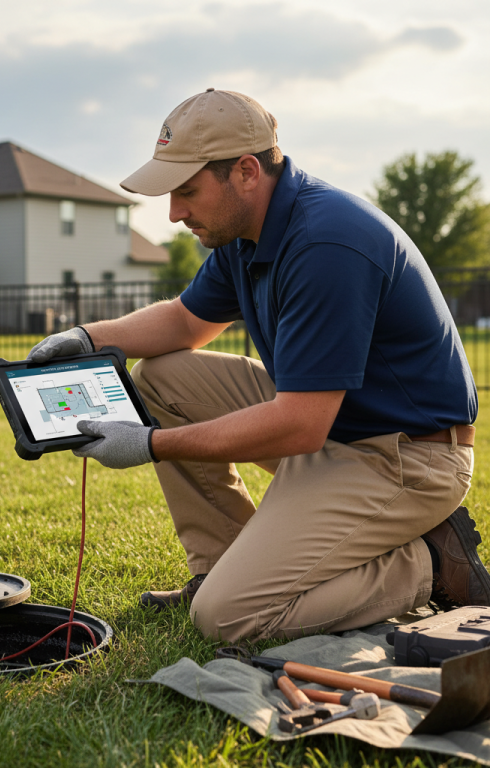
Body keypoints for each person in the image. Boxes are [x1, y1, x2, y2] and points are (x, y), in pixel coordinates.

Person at [28, 88, 489, 642]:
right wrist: (86, 337)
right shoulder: (246, 233)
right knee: (162, 376)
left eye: (186, 191)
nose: (174, 214)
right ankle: (218, 568)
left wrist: (149, 444)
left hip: (406, 457)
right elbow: (183, 323)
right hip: (341, 428)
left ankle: (428, 564)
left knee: (228, 618)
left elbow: (300, 424)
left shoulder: (327, 243)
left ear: (246, 171)